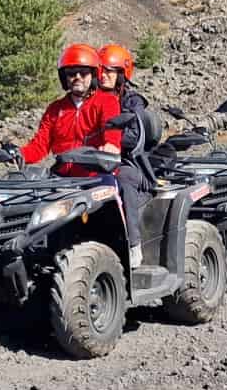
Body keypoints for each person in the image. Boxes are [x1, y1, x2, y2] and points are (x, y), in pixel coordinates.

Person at [18, 41, 144, 264]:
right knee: (25, 196)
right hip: (63, 177)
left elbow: (112, 136)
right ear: (64, 77)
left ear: (93, 75)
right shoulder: (55, 109)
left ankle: (131, 244)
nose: (77, 77)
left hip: (94, 176)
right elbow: (39, 145)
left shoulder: (107, 102)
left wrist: (110, 148)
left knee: (120, 188)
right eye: (71, 73)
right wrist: (19, 155)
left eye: (83, 72)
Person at [95, 43, 157, 267]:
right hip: (96, 163)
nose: (103, 76)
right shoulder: (93, 100)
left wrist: (110, 141)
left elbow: (134, 134)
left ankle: (134, 244)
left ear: (122, 74)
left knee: (123, 177)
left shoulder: (133, 101)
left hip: (132, 166)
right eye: (101, 71)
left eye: (110, 71)